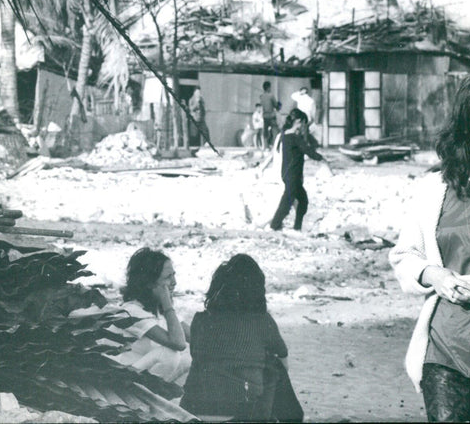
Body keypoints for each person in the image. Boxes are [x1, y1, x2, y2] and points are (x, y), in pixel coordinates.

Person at [389, 69, 470, 423]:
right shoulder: (434, 188)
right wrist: (435, 275)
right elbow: (404, 256)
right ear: (466, 123)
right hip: (447, 352)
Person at [181, 254, 303, 422]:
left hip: (193, 406)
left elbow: (198, 355)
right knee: (273, 366)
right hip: (241, 411)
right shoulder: (262, 321)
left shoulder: (200, 320)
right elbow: (283, 359)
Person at [106, 248, 191, 384]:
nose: (174, 282)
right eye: (168, 277)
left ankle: (159, 394)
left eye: (174, 275)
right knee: (170, 354)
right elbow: (179, 344)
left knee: (190, 355)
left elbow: (197, 338)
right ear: (149, 283)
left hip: (139, 375)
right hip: (119, 378)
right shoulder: (131, 311)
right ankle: (151, 397)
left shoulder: (158, 310)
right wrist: (168, 305)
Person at [269, 108, 327, 231]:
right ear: (298, 121)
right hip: (292, 175)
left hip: (288, 174)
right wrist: (321, 158)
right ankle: (274, 226)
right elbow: (307, 150)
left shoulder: (285, 135)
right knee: (287, 202)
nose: (303, 127)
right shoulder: (294, 137)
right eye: (303, 123)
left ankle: (296, 227)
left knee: (302, 201)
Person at [188, 87, 210, 153]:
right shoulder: (191, 99)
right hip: (194, 119)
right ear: (194, 93)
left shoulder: (201, 99)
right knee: (194, 134)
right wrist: (196, 103)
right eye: (197, 92)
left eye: (199, 92)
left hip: (201, 118)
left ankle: (206, 143)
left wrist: (204, 112)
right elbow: (191, 109)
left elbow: (204, 108)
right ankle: (193, 147)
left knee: (205, 131)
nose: (198, 94)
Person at [260, 81, 281, 148]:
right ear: (268, 87)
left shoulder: (261, 96)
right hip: (271, 115)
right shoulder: (271, 95)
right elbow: (275, 105)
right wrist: (278, 105)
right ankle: (275, 145)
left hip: (265, 116)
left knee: (265, 131)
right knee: (275, 130)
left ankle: (265, 146)